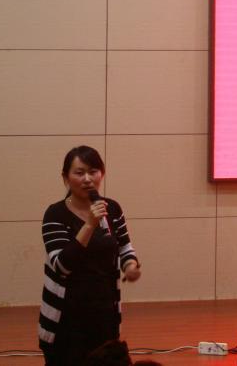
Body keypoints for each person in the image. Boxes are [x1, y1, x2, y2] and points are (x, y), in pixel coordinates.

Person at [38, 146, 141, 366]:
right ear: (65, 178)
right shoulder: (55, 214)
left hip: (104, 311)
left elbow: (124, 247)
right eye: (79, 172)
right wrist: (90, 224)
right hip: (66, 315)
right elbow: (61, 265)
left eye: (93, 171)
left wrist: (131, 266)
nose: (87, 179)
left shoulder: (112, 209)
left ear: (102, 174)